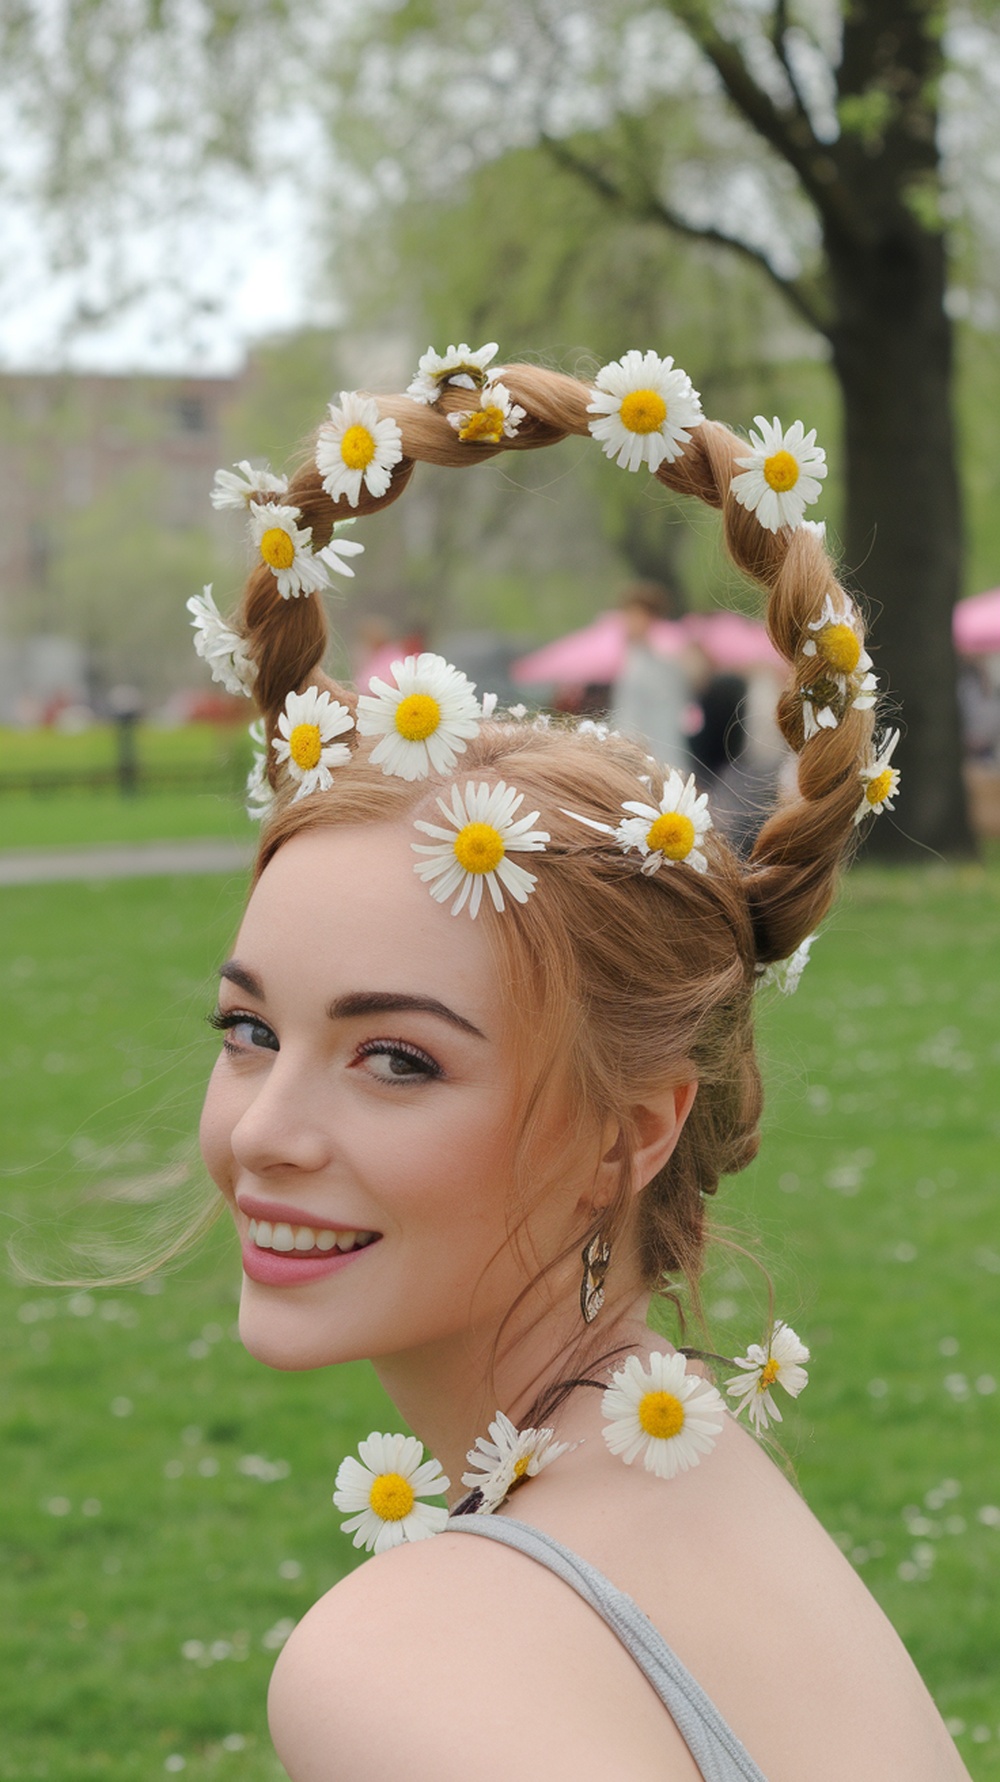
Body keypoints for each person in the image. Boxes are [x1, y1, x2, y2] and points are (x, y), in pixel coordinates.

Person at [195, 346, 955, 1781]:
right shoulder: (696, 1461)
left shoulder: (405, 1665)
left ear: (635, 1130)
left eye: (400, 1058)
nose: (264, 1134)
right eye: (250, 1031)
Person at [612, 582, 691, 768]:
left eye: (635, 616)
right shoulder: (632, 660)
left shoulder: (663, 661)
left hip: (657, 752)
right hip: (637, 751)